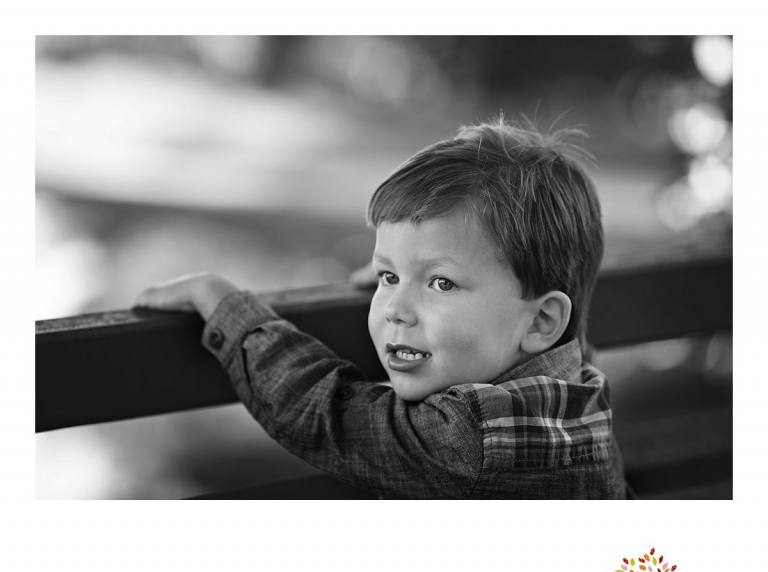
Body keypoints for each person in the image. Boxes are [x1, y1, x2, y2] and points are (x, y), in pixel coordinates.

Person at [134, 117, 626, 498]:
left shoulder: (466, 443)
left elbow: (324, 412)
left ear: (541, 320)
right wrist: (420, 277)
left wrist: (224, 306)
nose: (395, 309)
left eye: (442, 283)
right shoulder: (577, 388)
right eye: (387, 277)